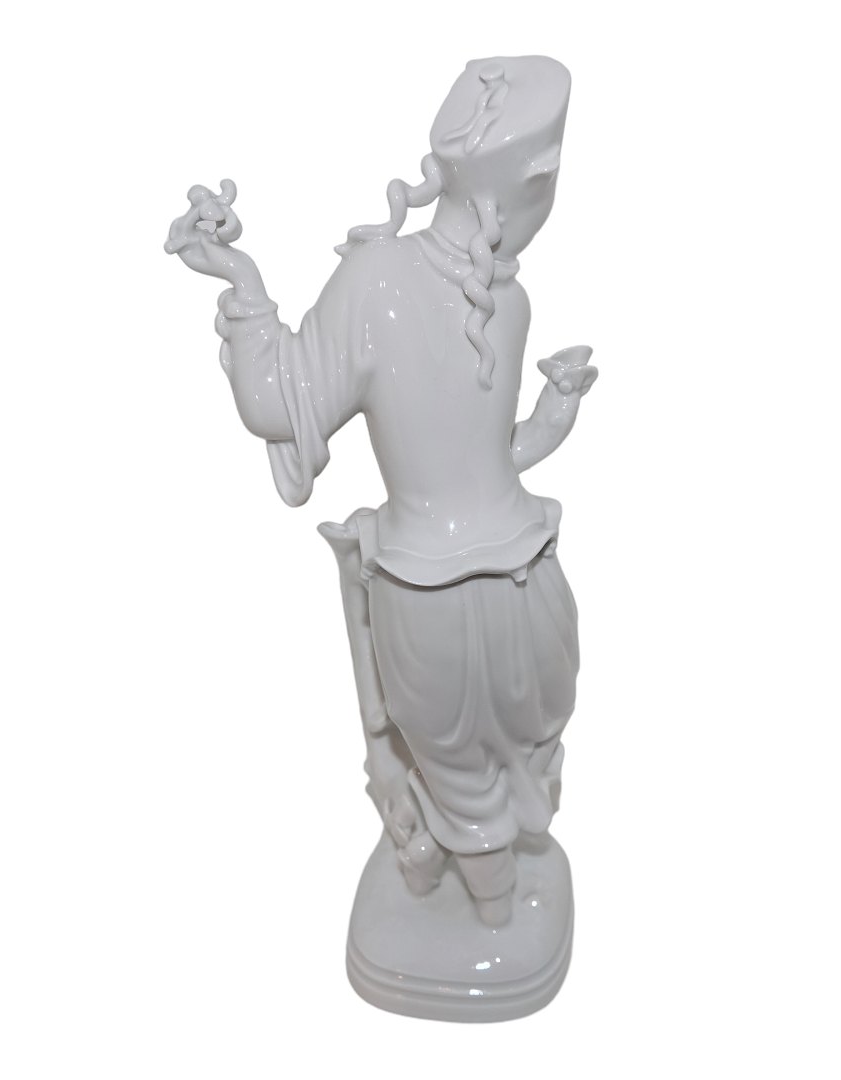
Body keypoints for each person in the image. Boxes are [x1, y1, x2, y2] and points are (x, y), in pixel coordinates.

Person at [166, 56, 597, 926]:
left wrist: (244, 288)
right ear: (531, 184)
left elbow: (274, 401)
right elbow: (498, 462)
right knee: (524, 752)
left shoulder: (388, 281)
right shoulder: (503, 302)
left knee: (464, 780)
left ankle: (493, 913)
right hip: (531, 589)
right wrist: (557, 413)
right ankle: (498, 925)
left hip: (428, 602)